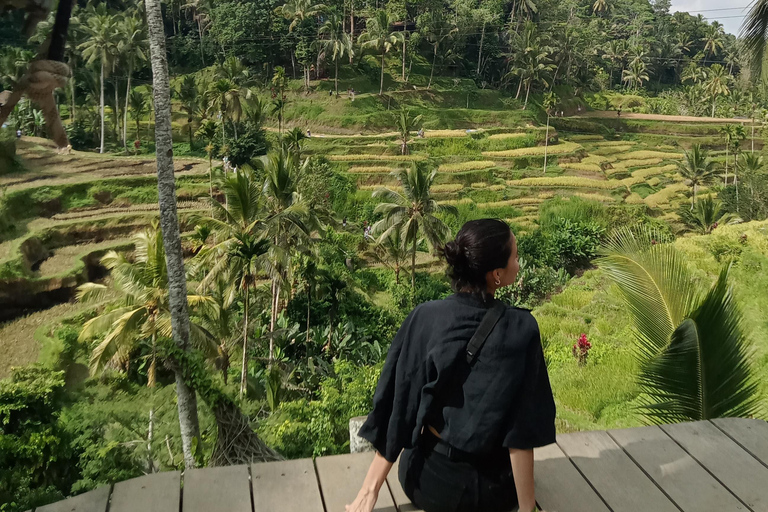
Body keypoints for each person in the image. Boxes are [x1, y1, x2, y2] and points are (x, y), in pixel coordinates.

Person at [347, 219, 556, 512]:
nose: (519, 264)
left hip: (426, 480)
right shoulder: (521, 329)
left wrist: (368, 492)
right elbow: (521, 431)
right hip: (493, 490)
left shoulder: (426, 318)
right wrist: (526, 508)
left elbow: (400, 405)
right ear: (496, 274)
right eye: (515, 257)